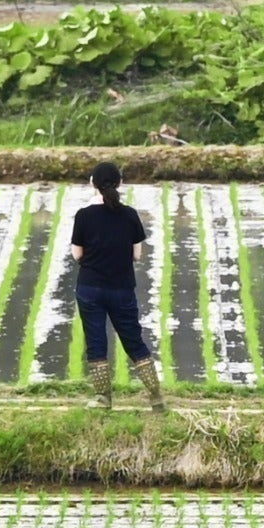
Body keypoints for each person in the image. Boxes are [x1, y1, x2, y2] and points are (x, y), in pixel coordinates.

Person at [67, 161, 165, 412]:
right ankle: (156, 397)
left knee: (96, 341)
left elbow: (77, 254)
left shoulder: (84, 215)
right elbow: (137, 255)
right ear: (120, 183)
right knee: (134, 340)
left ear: (92, 183)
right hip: (122, 288)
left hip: (90, 288)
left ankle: (103, 399)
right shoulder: (130, 215)